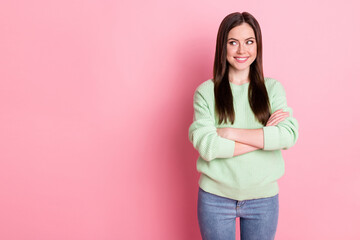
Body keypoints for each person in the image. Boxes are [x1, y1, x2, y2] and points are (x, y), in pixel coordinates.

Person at [188, 12, 299, 240]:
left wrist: (229, 133)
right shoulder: (206, 93)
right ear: (223, 47)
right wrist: (264, 138)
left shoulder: (273, 89)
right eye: (233, 42)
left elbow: (287, 136)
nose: (242, 50)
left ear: (258, 46)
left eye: (249, 42)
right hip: (215, 199)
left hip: (263, 200)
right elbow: (209, 147)